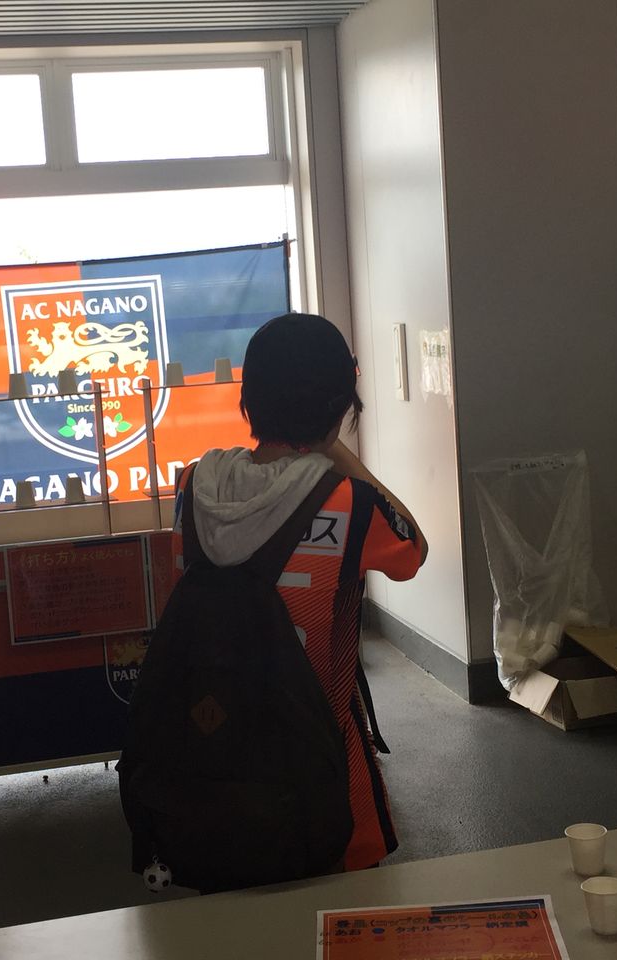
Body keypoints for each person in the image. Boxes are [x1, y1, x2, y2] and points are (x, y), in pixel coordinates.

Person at [176, 312, 428, 870]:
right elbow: (413, 549)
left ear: (249, 400)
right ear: (340, 406)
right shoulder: (350, 503)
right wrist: (333, 450)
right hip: (324, 770)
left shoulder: (194, 486)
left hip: (214, 761)